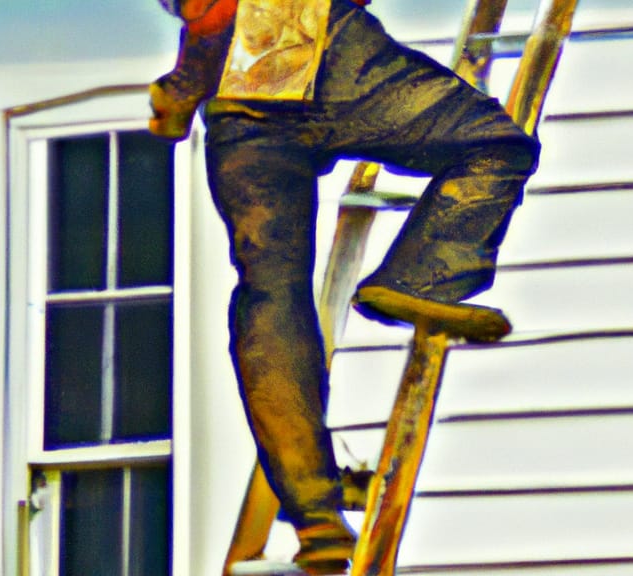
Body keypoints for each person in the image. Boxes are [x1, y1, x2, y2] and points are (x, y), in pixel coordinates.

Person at [150, 0, 539, 573]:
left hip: (242, 89)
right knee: (496, 145)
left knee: (269, 292)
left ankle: (316, 521)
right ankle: (419, 275)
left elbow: (204, 18)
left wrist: (182, 89)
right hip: (323, 46)